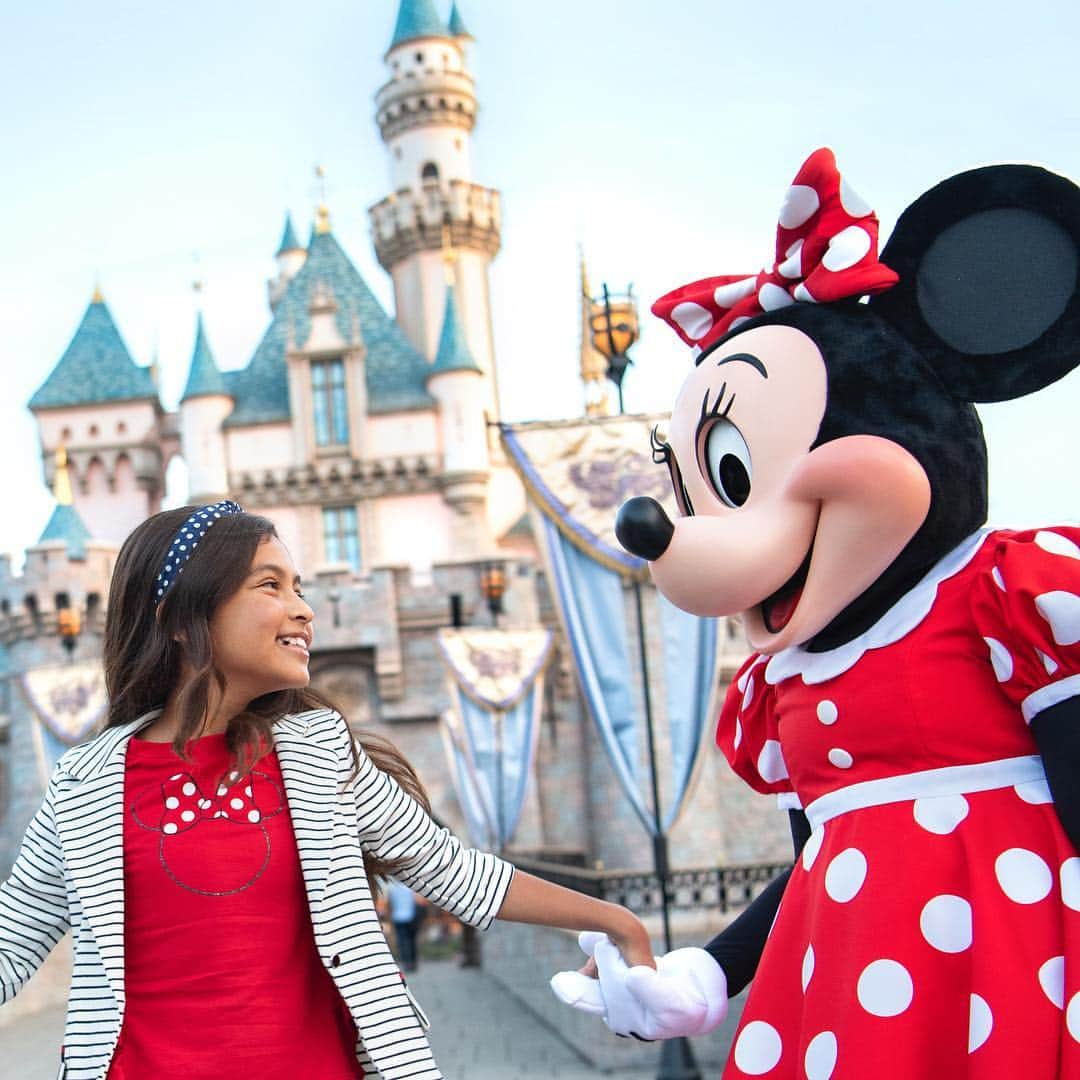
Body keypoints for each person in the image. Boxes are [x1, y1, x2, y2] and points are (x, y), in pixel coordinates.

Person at [0, 502, 652, 1080]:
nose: (303, 609)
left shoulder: (320, 754)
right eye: (270, 585)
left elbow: (453, 872)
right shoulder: (84, 784)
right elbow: (12, 941)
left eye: (300, 587)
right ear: (180, 617)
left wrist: (615, 921)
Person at [386, 880, 420, 972]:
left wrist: (389, 918)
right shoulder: (409, 886)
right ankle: (413, 962)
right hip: (410, 917)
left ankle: (406, 963)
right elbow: (416, 902)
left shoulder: (391, 887)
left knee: (402, 942)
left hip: (398, 918)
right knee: (412, 941)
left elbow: (389, 904)